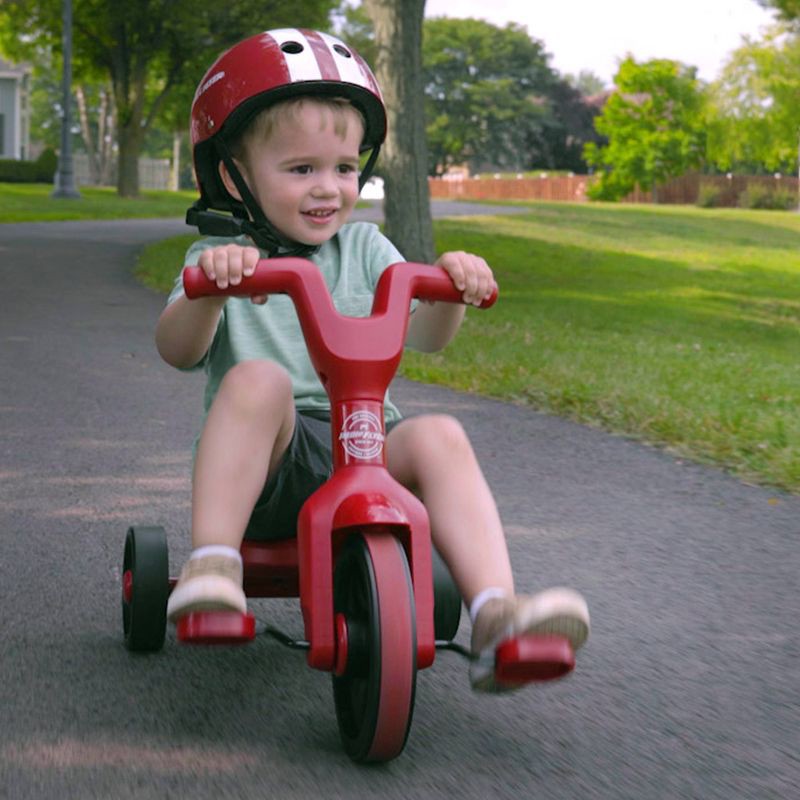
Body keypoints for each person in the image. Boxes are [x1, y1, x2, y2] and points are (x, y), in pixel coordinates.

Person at [156, 28, 589, 691]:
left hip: (367, 446)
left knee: (440, 433)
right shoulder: (223, 259)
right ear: (231, 176)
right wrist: (210, 291)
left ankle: (496, 612)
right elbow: (177, 350)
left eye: (344, 168)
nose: (328, 188)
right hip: (271, 468)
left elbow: (427, 338)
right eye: (301, 169)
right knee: (259, 380)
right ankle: (214, 563)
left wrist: (451, 289)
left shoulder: (366, 248)